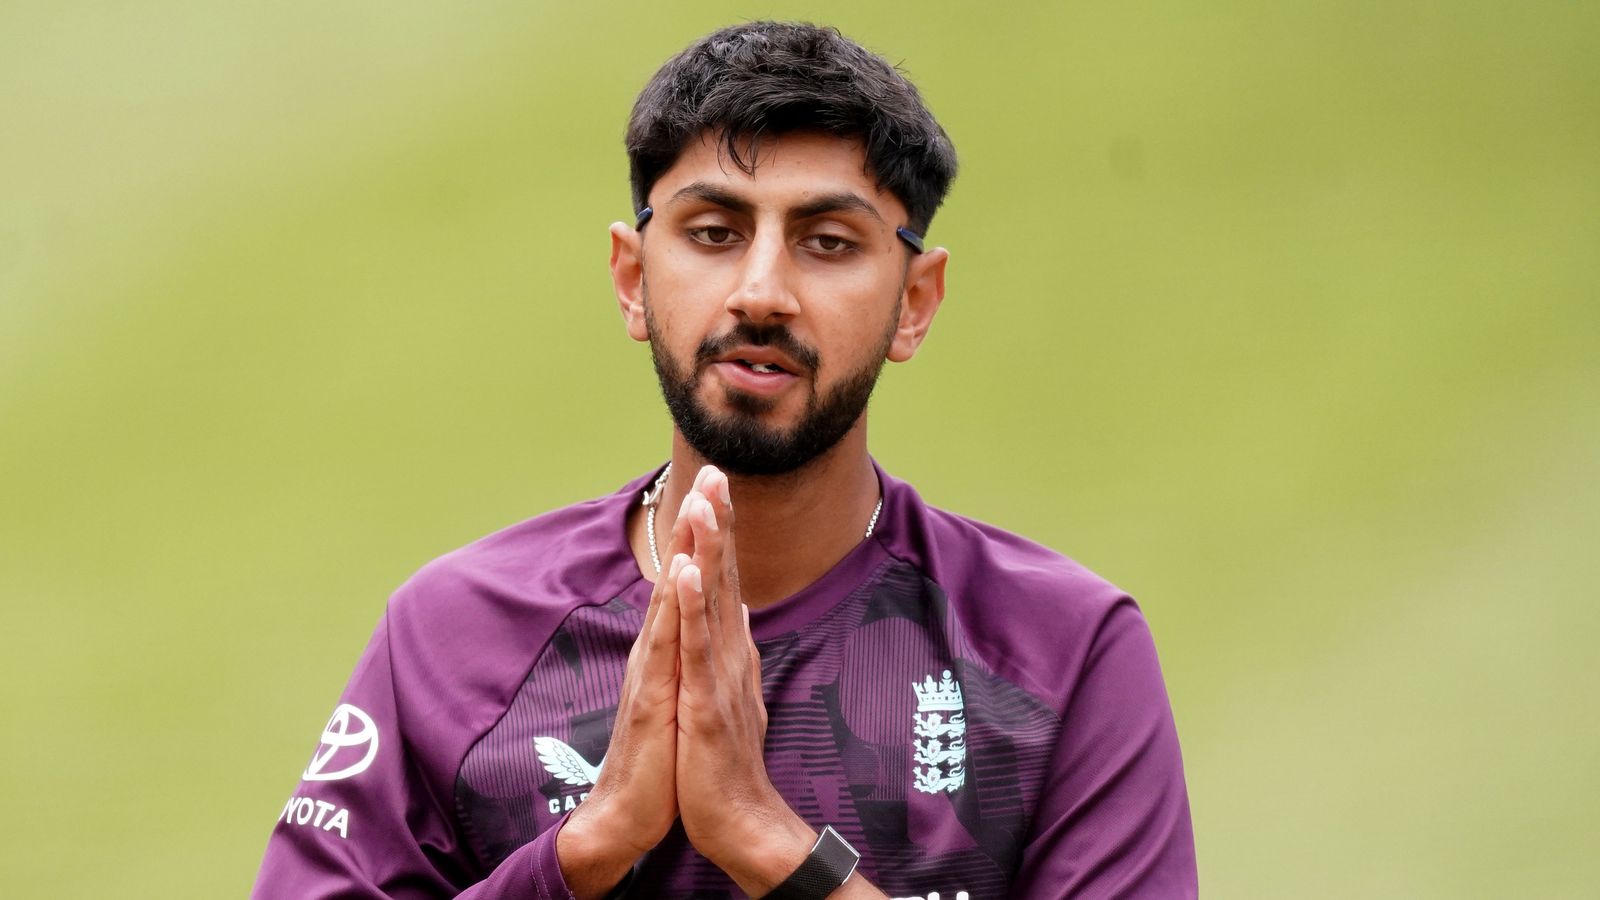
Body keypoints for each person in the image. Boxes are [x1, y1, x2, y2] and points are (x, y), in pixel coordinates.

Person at [253, 20, 1196, 900]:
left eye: (828, 243)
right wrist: (588, 848)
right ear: (633, 278)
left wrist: (768, 843)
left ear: (914, 301)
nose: (762, 291)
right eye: (714, 233)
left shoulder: (1061, 653)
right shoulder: (453, 637)